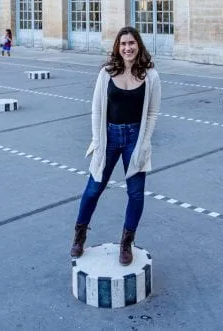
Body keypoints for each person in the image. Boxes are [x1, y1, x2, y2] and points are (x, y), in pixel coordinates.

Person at [71, 26, 161, 266]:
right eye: (123, 44)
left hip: (135, 137)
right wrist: (98, 141)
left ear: (138, 46)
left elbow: (152, 113)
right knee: (93, 188)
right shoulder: (107, 72)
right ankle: (80, 234)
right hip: (109, 136)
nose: (127, 48)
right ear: (117, 48)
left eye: (132, 43)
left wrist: (144, 142)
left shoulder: (150, 75)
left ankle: (126, 242)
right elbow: (97, 109)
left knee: (136, 193)